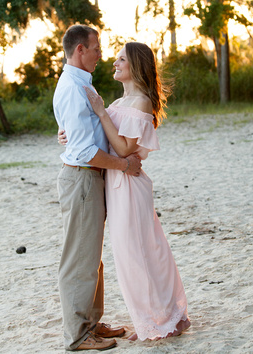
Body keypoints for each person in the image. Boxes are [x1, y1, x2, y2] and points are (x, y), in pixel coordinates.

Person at [59, 41, 190, 341]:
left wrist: (101, 111)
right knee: (130, 253)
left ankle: (156, 321)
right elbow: (99, 139)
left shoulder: (141, 102)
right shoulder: (118, 104)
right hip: (116, 182)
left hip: (129, 185)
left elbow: (123, 148)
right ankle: (153, 318)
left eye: (120, 60)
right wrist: (67, 134)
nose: (114, 64)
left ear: (136, 66)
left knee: (139, 251)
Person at [53, 25, 142, 351]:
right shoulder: (74, 88)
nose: (100, 55)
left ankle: (91, 322)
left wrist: (65, 136)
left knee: (91, 258)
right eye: (95, 48)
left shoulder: (79, 84)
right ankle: (78, 335)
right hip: (82, 178)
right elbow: (84, 151)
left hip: (88, 179)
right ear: (79, 50)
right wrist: (124, 165)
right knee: (79, 259)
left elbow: (74, 134)